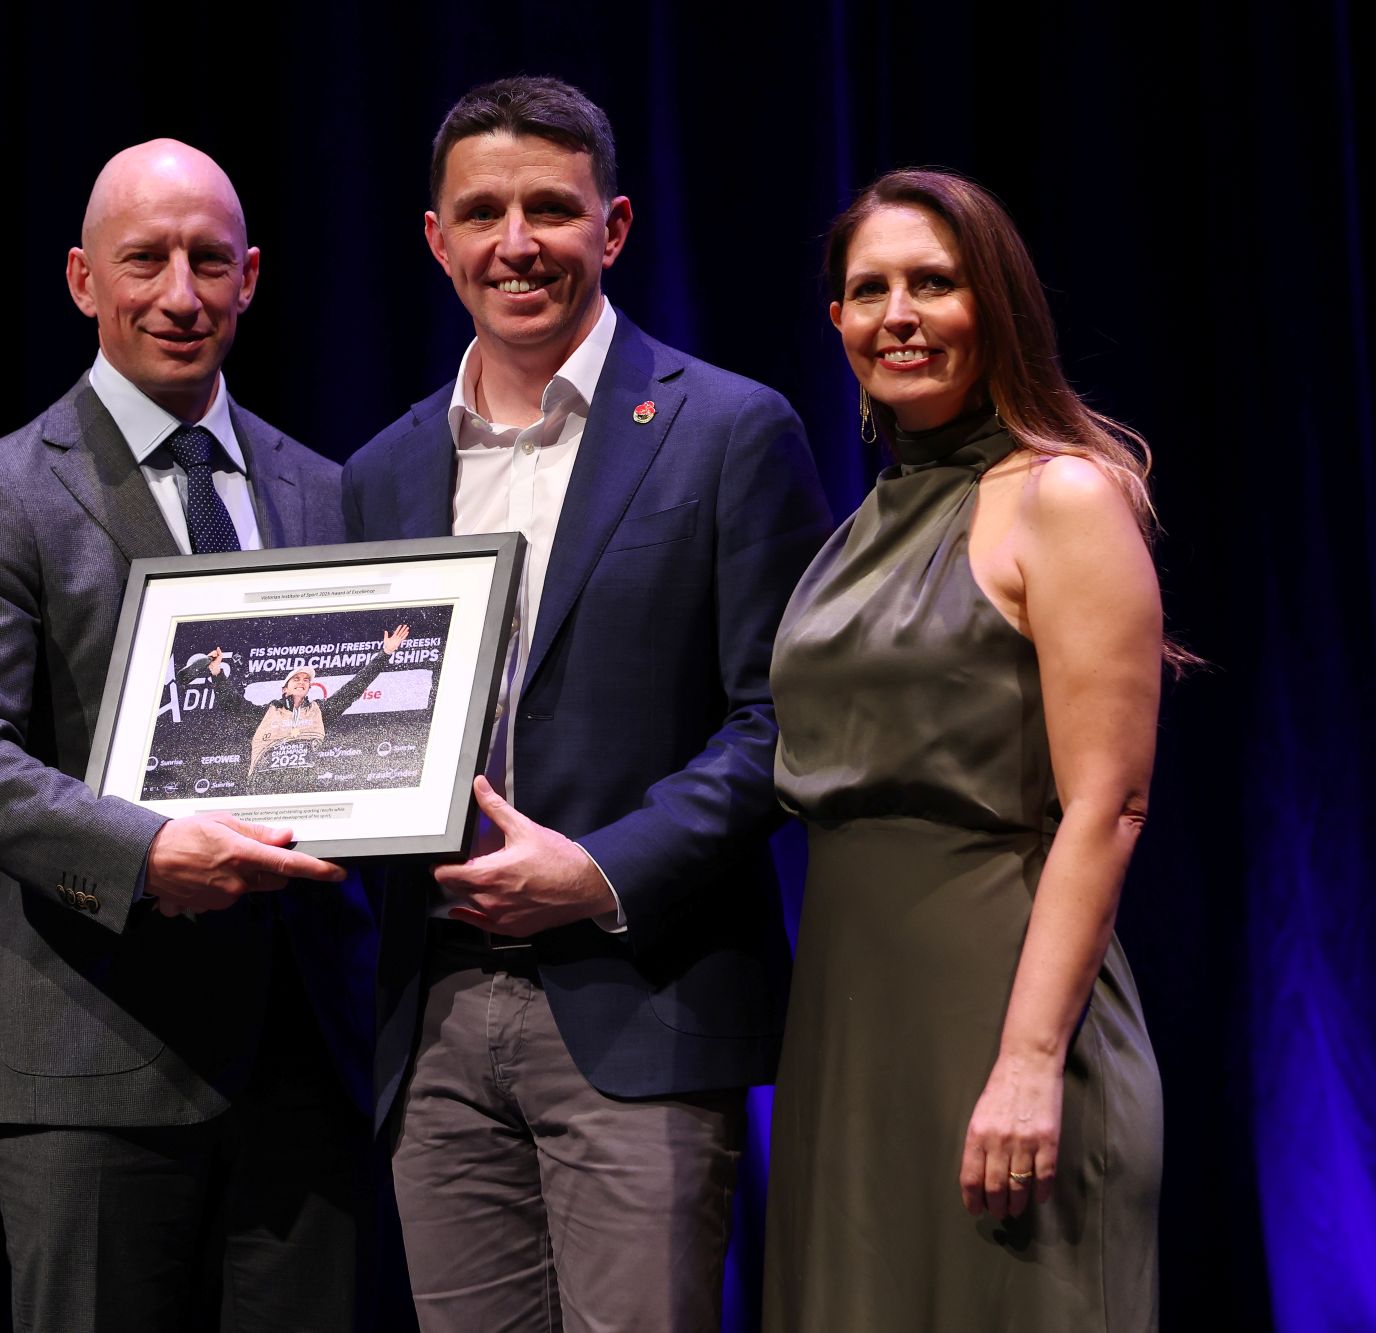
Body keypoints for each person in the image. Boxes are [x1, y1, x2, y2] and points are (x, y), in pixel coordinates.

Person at [341, 77, 832, 1331]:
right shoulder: (383, 468)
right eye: (483, 211)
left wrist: (599, 871)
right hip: (434, 1014)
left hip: (642, 1001)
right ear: (435, 237)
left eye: (550, 210)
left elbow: (777, 722)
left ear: (610, 228)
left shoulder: (727, 429)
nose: (517, 244)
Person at [0, 139, 378, 1332]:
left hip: (304, 1063)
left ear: (252, 275)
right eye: (145, 260)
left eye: (207, 260)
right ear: (79, 279)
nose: (180, 292)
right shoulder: (0, 490)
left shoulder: (326, 490)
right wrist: (143, 853)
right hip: (88, 1064)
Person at [763, 168, 1168, 1331]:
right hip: (848, 1028)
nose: (898, 313)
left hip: (1002, 1014)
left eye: (932, 283)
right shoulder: (863, 523)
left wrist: (1030, 1059)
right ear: (834, 322)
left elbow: (1110, 804)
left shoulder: (1064, 497)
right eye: (867, 289)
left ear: (993, 304)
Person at [203, 624, 409, 784]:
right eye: (296, 679)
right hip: (264, 787)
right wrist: (216, 672)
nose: (302, 682)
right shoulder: (265, 714)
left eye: (306, 680)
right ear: (285, 688)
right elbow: (231, 703)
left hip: (303, 787)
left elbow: (354, 687)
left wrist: (386, 654)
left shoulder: (320, 712)